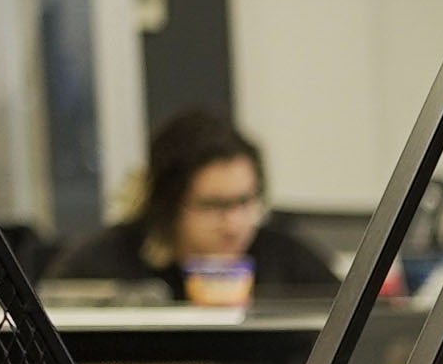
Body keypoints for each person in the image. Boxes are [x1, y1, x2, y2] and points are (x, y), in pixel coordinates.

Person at [68, 106, 341, 308]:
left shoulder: (287, 260)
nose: (234, 224)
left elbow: (361, 346)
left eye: (245, 201)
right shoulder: (103, 264)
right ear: (168, 205)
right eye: (213, 206)